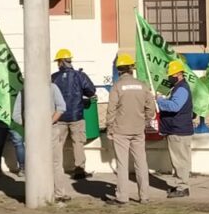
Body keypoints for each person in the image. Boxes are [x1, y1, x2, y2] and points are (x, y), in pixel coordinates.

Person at [105, 52, 155, 205]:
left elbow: (111, 110)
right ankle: (144, 196)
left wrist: (109, 127)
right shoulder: (142, 86)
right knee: (141, 163)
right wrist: (145, 119)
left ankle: (122, 197)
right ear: (131, 69)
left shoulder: (117, 87)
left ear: (119, 70)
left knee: (122, 164)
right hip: (138, 130)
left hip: (120, 130)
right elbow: (151, 107)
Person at [10, 82, 67, 196]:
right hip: (51, 129)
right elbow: (61, 108)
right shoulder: (52, 87)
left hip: (32, 132)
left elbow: (16, 115)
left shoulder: (24, 90)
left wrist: (29, 125)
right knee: (55, 162)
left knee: (34, 162)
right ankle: (59, 193)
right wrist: (48, 123)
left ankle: (37, 192)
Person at [51, 48, 97, 181]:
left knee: (58, 144)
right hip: (77, 115)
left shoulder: (53, 77)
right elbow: (90, 91)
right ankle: (79, 170)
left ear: (60, 62)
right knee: (78, 143)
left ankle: (55, 169)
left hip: (59, 116)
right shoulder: (80, 76)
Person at [156, 59, 194, 198]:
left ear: (178, 74)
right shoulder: (177, 86)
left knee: (180, 160)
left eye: (171, 75)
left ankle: (182, 187)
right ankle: (180, 185)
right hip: (177, 129)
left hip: (179, 130)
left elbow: (174, 106)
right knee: (178, 160)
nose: (169, 78)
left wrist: (160, 101)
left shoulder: (182, 89)